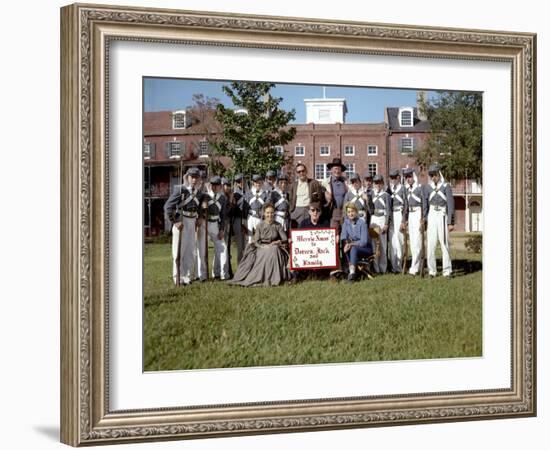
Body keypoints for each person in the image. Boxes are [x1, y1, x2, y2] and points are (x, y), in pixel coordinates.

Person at [229, 203, 291, 287]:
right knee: (268, 252)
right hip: (262, 247)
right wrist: (264, 247)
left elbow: (285, 239)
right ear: (264, 213)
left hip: (274, 247)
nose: (270, 215)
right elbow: (256, 242)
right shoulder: (260, 226)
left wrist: (278, 242)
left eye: (272, 213)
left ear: (274, 213)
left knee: (274, 250)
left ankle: (274, 278)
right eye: (268, 213)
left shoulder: (278, 225)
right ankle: (261, 278)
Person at [163, 167, 202, 285]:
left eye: (196, 177)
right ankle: (177, 277)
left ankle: (187, 276)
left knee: (190, 251)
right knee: (179, 251)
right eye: (192, 177)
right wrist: (174, 221)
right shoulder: (180, 190)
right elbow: (167, 207)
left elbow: (200, 207)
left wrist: (199, 217)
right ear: (187, 177)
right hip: (182, 221)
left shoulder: (199, 192)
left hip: (192, 221)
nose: (194, 180)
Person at [196, 176, 229, 281]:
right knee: (202, 250)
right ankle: (202, 276)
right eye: (213, 185)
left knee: (222, 248)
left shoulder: (223, 198)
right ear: (210, 185)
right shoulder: (204, 196)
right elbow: (198, 208)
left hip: (215, 225)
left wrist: (222, 229)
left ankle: (221, 274)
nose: (214, 187)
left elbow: (223, 215)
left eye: (217, 185)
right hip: (204, 224)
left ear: (220, 186)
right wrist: (201, 212)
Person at [424, 163, 455, 277]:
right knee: (430, 244)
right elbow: (425, 205)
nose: (433, 177)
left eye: (435, 174)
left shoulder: (446, 186)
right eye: (431, 175)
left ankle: (447, 271)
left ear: (439, 174)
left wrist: (450, 222)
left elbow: (451, 205)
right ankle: (432, 271)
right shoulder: (428, 187)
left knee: (444, 244)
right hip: (432, 214)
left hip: (442, 214)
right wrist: (425, 219)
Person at [340, 202, 373, 283]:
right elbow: (343, 236)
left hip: (365, 248)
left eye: (352, 211)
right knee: (346, 248)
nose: (351, 214)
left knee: (352, 248)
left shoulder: (362, 223)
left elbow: (364, 242)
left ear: (356, 212)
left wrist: (351, 244)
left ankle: (351, 274)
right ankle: (350, 273)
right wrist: (346, 243)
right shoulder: (346, 223)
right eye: (349, 212)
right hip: (353, 248)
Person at [403, 168, 426, 276]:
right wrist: (405, 220)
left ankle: (415, 268)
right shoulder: (407, 190)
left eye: (410, 176)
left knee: (417, 241)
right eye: (407, 177)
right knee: (412, 242)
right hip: (411, 215)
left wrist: (423, 218)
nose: (408, 179)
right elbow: (406, 207)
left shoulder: (420, 188)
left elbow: (424, 204)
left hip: (418, 213)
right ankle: (416, 265)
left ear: (414, 176)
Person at [288, 163, 324, 228]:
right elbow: (290, 199)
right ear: (296, 173)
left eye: (303, 171)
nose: (301, 173)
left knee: (309, 231)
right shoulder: (294, 185)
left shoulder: (314, 183)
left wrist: (315, 210)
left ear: (306, 171)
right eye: (299, 172)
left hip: (309, 210)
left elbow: (320, 198)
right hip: (297, 211)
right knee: (296, 232)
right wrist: (291, 210)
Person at [387, 168, 408, 273]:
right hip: (391, 216)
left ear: (398, 178)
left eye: (395, 177)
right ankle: (393, 266)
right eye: (391, 177)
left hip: (399, 214)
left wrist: (404, 220)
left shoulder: (403, 188)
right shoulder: (388, 189)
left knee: (400, 241)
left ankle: (400, 266)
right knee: (392, 242)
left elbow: (406, 205)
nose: (393, 179)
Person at [370, 174, 390, 273]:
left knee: (382, 245)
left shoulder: (386, 195)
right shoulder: (371, 194)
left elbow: (388, 210)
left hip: (382, 218)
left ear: (382, 183)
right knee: (374, 244)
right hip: (374, 219)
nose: (377, 185)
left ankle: (383, 268)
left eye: (379, 183)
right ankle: (376, 268)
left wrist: (386, 224)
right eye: (376, 183)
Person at [243, 174, 270, 243]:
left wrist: (262, 215)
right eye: (256, 182)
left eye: (259, 182)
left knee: (260, 237)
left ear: (262, 183)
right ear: (253, 183)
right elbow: (245, 207)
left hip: (260, 217)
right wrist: (244, 220)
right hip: (250, 217)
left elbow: (266, 207)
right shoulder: (248, 194)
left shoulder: (265, 194)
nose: (257, 184)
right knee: (249, 238)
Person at [323, 158, 348, 231]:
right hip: (332, 213)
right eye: (335, 168)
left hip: (344, 212)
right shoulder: (325, 182)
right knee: (334, 233)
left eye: (339, 169)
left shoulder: (345, 181)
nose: (337, 171)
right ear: (331, 169)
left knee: (345, 234)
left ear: (341, 170)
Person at [231, 173, 247, 263]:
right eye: (238, 181)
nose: (241, 183)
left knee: (247, 244)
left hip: (247, 219)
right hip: (237, 219)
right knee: (240, 245)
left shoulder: (249, 193)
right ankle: (240, 265)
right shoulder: (234, 194)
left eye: (242, 181)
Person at [221, 177, 234, 278]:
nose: (228, 187)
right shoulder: (223, 197)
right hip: (223, 223)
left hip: (228, 222)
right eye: (226, 185)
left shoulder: (227, 196)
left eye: (229, 185)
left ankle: (227, 271)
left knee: (227, 247)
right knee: (224, 248)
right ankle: (224, 272)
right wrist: (230, 201)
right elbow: (226, 212)